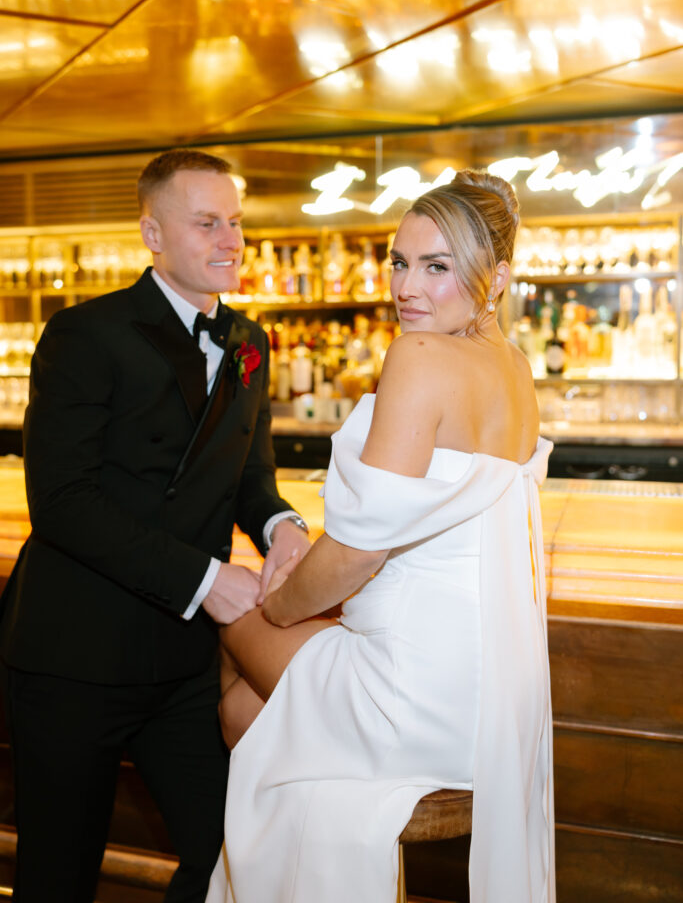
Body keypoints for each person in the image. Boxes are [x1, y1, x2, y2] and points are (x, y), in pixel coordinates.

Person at [206, 170, 556, 903]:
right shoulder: (515, 368)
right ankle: (291, 789)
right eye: (399, 262)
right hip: (486, 700)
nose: (407, 287)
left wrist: (279, 603)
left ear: (493, 279)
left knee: (233, 619)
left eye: (437, 267)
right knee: (249, 713)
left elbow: (360, 550)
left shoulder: (420, 358)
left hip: (407, 696)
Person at [0, 148, 311, 903]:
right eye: (206, 223)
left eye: (234, 222)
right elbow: (64, 504)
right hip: (72, 655)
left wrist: (283, 528)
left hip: (179, 664)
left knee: (230, 850)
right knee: (58, 875)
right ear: (153, 233)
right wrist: (207, 579)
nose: (229, 240)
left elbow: (247, 478)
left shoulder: (249, 343)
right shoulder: (84, 334)